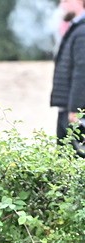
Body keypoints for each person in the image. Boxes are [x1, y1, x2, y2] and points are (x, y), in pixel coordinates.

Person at [53, 0, 85, 156]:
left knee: (73, 158)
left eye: (66, 0)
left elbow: (82, 71)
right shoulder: (77, 28)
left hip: (76, 111)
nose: (62, 4)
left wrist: (75, 109)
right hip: (70, 108)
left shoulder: (82, 31)